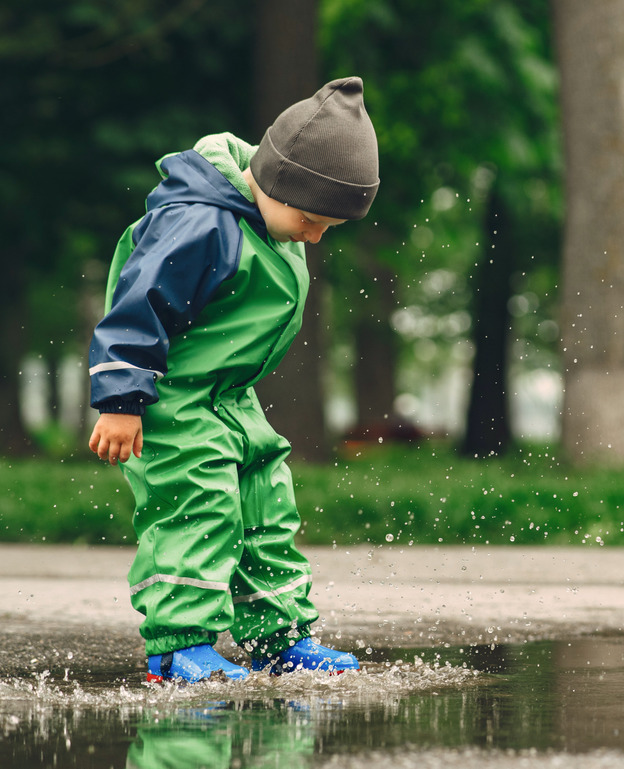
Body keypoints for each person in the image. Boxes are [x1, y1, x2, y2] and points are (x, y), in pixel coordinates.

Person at [87, 77, 379, 684]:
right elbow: (140, 304)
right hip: (170, 400)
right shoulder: (198, 224)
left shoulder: (271, 218)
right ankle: (178, 645)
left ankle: (278, 638)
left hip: (229, 400)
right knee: (197, 508)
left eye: (329, 228)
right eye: (311, 219)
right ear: (276, 182)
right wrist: (121, 399)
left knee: (266, 506)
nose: (315, 236)